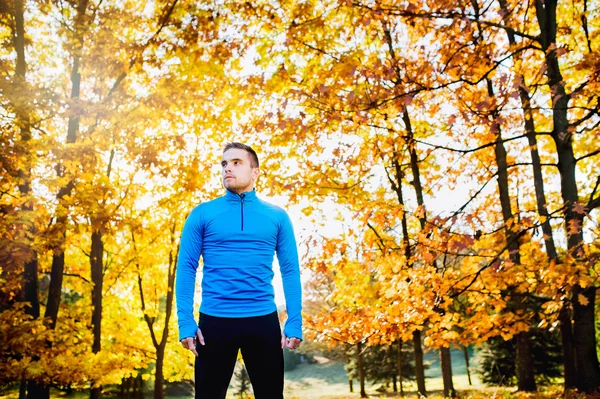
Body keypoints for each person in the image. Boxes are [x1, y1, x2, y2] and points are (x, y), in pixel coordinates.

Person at [175, 142, 302, 399]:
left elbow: (290, 269)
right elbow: (186, 268)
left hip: (263, 321)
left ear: (255, 172)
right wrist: (185, 321)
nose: (227, 168)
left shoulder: (277, 216)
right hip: (214, 322)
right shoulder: (202, 214)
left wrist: (295, 319)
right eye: (224, 164)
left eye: (236, 162)